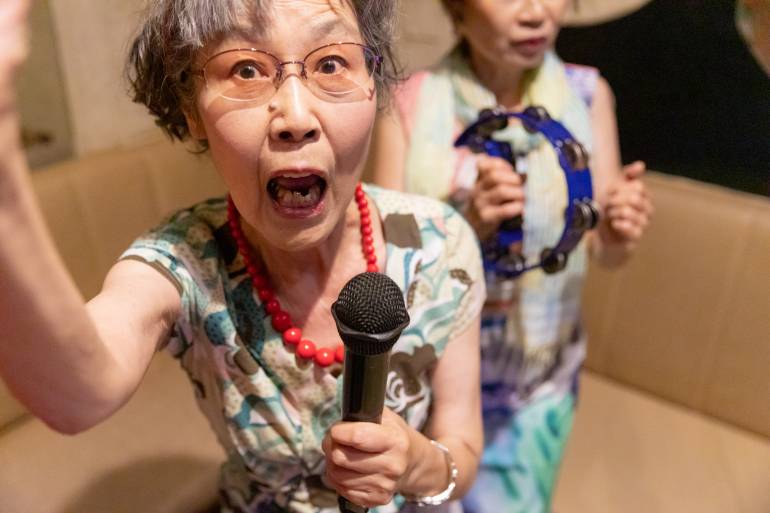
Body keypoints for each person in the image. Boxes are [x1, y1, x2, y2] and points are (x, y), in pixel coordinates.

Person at [0, 1, 486, 512]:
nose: (295, 118)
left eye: (330, 64)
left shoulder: (440, 245)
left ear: (374, 81)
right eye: (246, 69)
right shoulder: (186, 262)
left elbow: (464, 454)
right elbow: (78, 395)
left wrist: (416, 464)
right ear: (192, 111)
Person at [370, 1, 653, 512]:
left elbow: (601, 252)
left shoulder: (588, 96)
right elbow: (382, 267)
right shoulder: (407, 102)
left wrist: (617, 231)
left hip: (535, 386)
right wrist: (462, 225)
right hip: (425, 384)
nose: (535, 12)